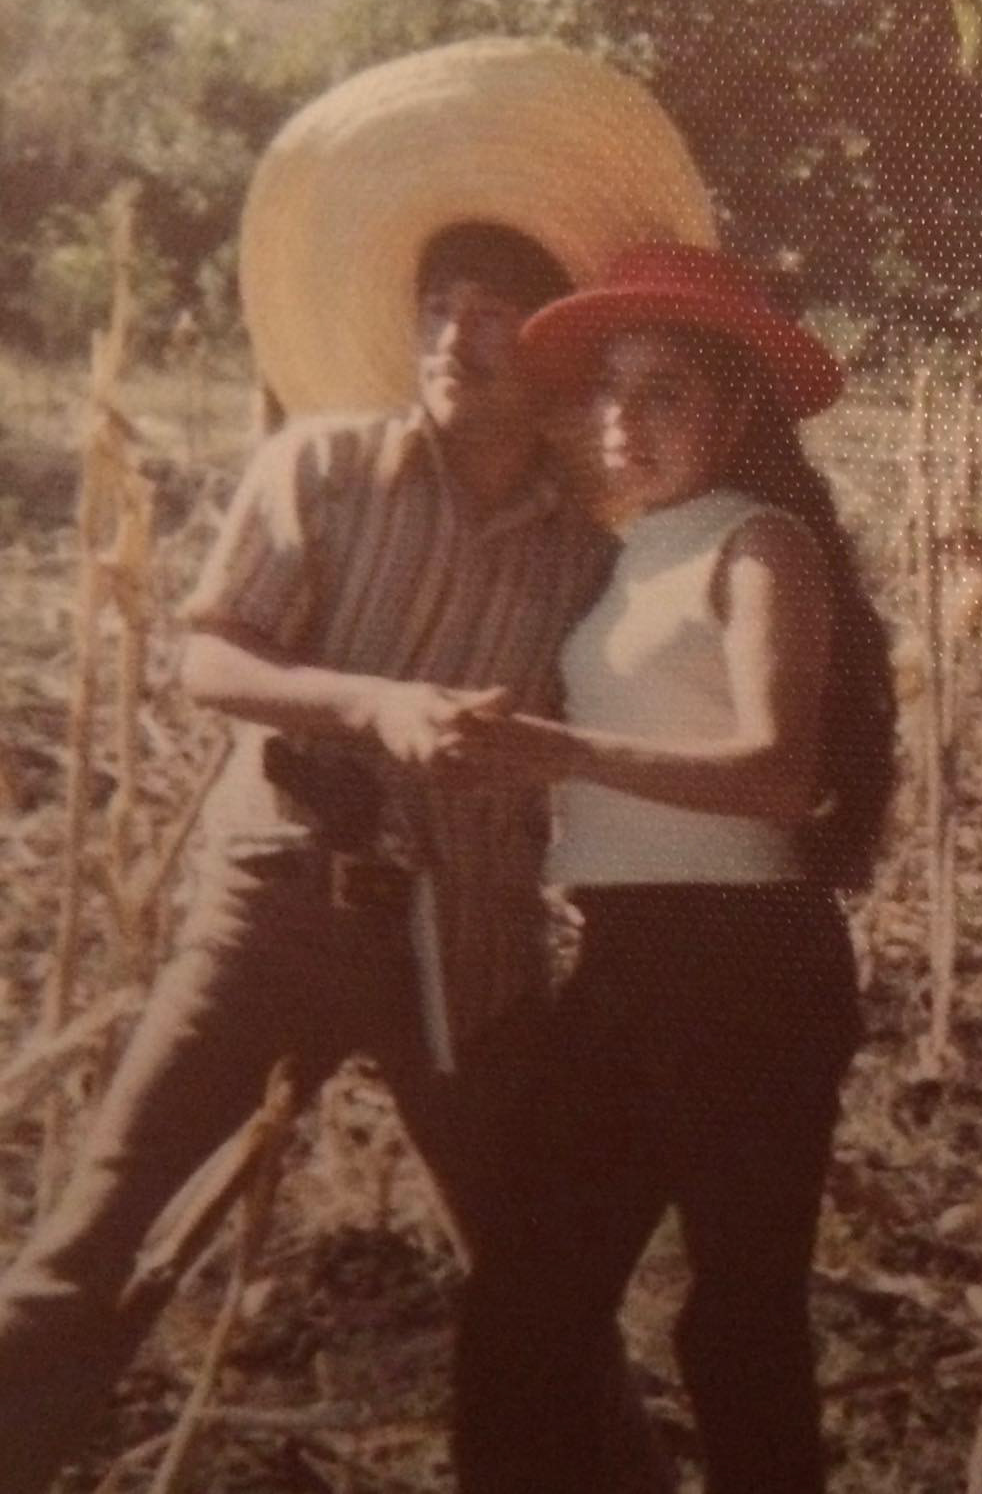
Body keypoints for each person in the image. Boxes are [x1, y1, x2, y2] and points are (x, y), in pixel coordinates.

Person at [0, 220, 676, 1494]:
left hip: (470, 944)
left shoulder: (589, 560)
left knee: (546, 1282)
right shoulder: (322, 467)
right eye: (439, 306)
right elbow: (212, 657)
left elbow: (619, 746)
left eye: (493, 315)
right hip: (281, 911)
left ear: (550, 354)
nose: (454, 338)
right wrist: (374, 706)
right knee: (98, 1237)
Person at [450, 243, 898, 1494]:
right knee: (526, 1300)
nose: (622, 421)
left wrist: (558, 750)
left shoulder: (762, 544)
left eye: (664, 393)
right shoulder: (637, 548)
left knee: (738, 1323)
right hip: (629, 957)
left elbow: (777, 773)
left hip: (748, 966)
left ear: (738, 407)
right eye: (606, 389)